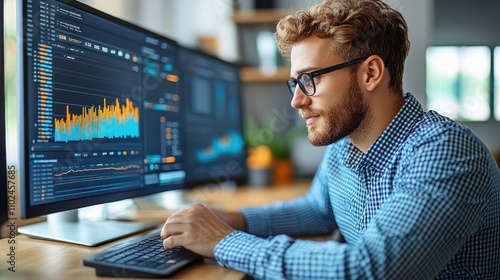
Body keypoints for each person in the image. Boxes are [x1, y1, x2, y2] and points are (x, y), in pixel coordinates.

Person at [161, 0, 500, 279]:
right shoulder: (344, 144)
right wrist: (239, 220)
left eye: (309, 79)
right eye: (295, 83)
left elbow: (371, 270)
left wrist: (224, 241)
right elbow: (318, 209)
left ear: (370, 73)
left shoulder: (446, 152)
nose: (296, 101)